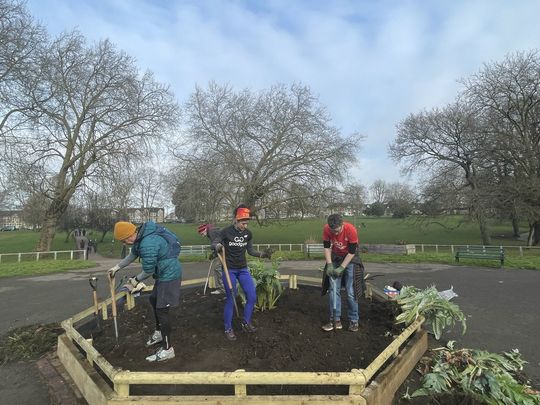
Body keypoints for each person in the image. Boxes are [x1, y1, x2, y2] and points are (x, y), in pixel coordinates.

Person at [107, 220, 182, 362]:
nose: (124, 244)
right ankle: (159, 333)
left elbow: (148, 270)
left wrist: (134, 281)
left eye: (123, 241)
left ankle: (168, 349)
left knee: (162, 310)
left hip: (170, 274)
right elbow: (132, 255)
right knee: (153, 299)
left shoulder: (148, 242)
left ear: (129, 236)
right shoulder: (140, 237)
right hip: (163, 273)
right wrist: (117, 267)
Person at [212, 205, 272, 341]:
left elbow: (250, 251)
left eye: (246, 223)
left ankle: (246, 322)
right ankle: (228, 328)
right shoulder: (225, 232)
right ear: (236, 220)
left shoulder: (248, 234)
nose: (245, 226)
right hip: (229, 270)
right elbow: (214, 242)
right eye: (242, 223)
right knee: (231, 297)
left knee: (251, 296)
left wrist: (263, 254)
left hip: (243, 269)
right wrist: (218, 246)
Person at [321, 213, 363, 332]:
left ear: (342, 225)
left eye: (337, 230)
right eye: (332, 230)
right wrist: (329, 264)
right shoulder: (326, 229)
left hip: (350, 258)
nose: (334, 233)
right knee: (333, 289)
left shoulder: (351, 230)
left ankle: (354, 320)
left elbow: (351, 252)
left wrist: (341, 268)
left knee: (350, 291)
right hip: (335, 257)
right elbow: (327, 247)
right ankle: (335, 320)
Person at [197, 223, 225, 294]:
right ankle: (226, 287)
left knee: (217, 268)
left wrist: (214, 254)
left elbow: (215, 244)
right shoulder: (212, 231)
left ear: (205, 230)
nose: (202, 235)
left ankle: (222, 289)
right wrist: (214, 254)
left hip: (225, 250)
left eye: (201, 233)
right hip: (225, 249)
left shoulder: (211, 232)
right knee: (223, 268)